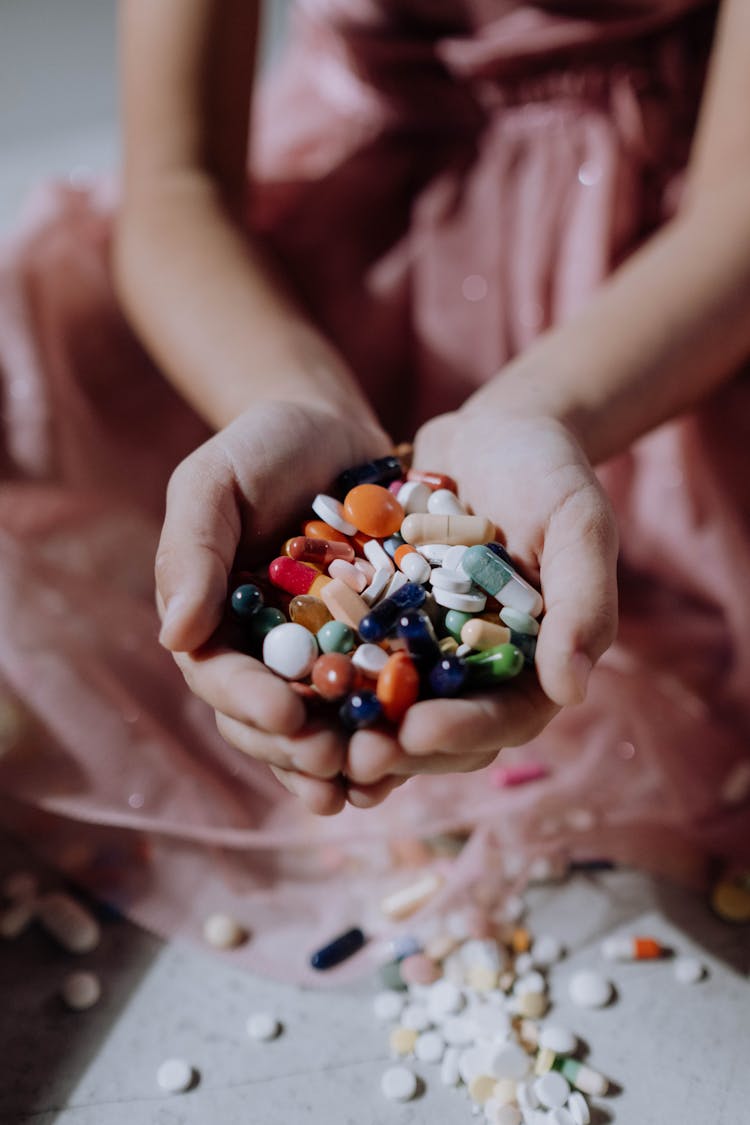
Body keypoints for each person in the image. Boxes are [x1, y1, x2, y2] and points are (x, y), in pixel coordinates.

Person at [0, 0, 748, 976]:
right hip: (320, 270)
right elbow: (176, 185)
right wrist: (288, 396)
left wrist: (541, 412)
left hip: (651, 304)